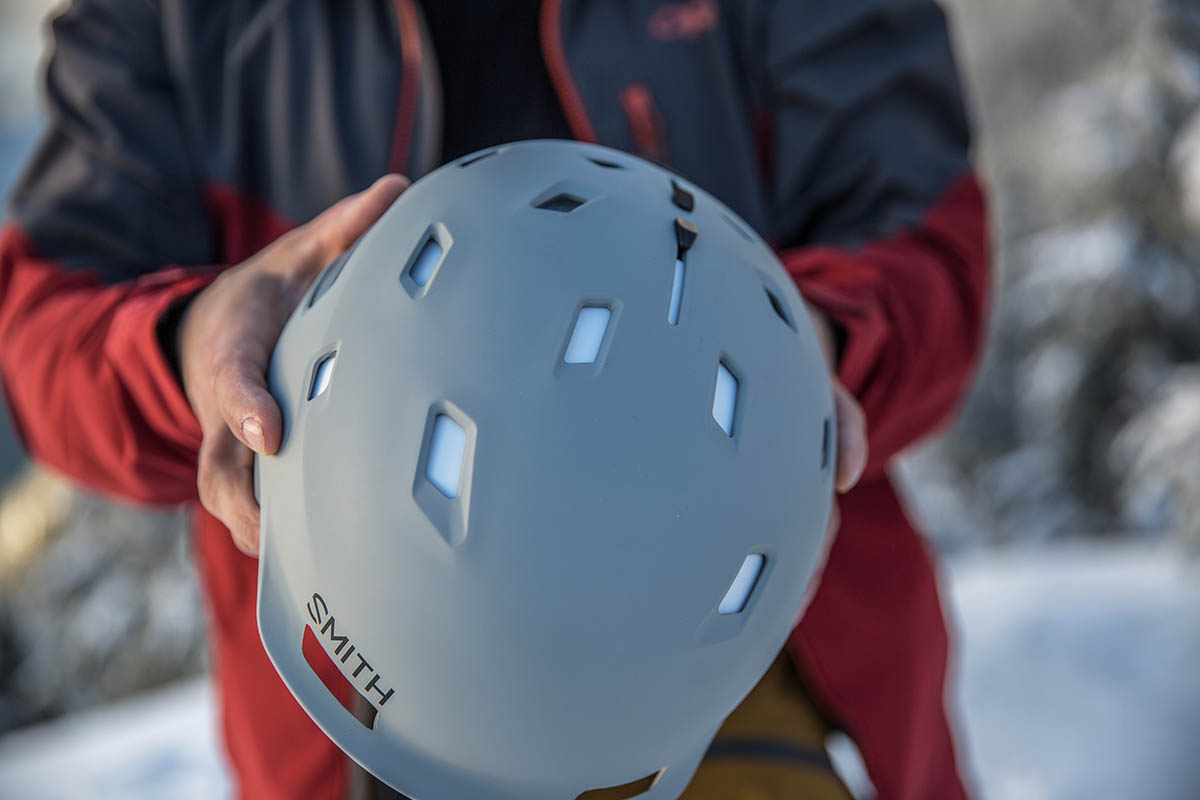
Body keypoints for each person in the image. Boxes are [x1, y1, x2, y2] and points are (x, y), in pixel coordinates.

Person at [0, 1, 989, 798]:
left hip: (741, 644)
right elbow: (43, 326)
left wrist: (806, 342)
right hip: (356, 683)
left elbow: (927, 240)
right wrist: (190, 345)